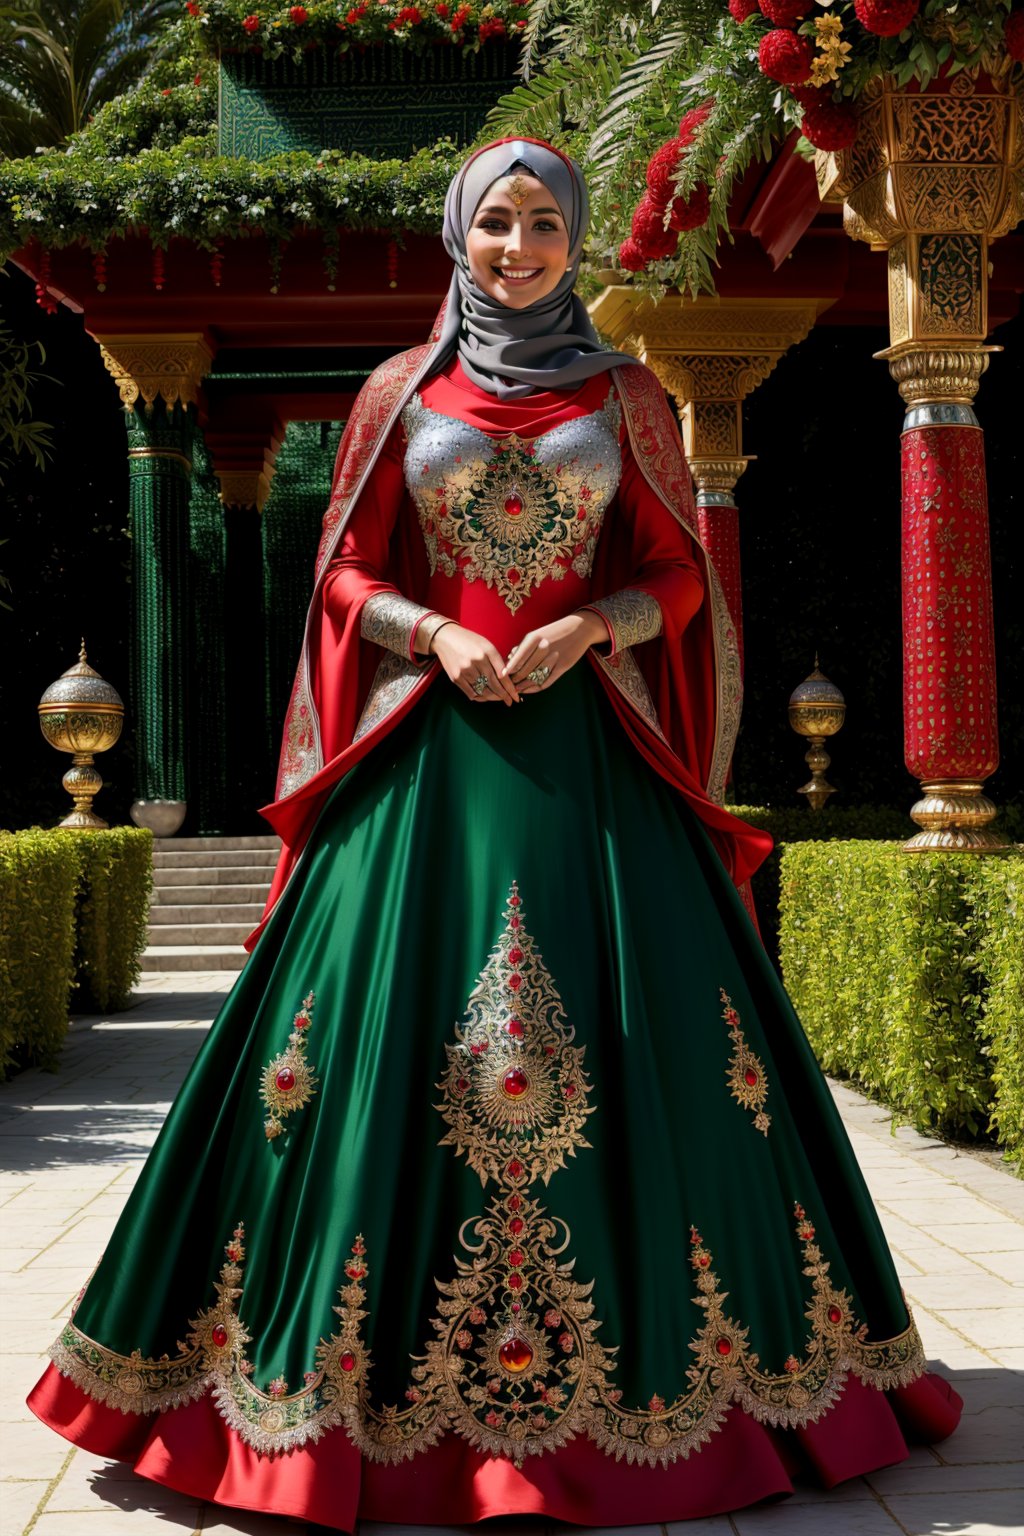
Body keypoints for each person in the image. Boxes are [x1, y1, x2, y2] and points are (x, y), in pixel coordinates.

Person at [29, 138, 961, 1529]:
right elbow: (343, 569)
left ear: (572, 240)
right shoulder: (399, 394)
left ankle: (697, 1385)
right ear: (458, 237)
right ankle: (321, 1395)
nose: (518, 248)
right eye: (495, 224)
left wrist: (591, 624)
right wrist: (440, 632)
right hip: (429, 756)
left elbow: (676, 573)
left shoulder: (628, 391)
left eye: (542, 225)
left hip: (593, 768)